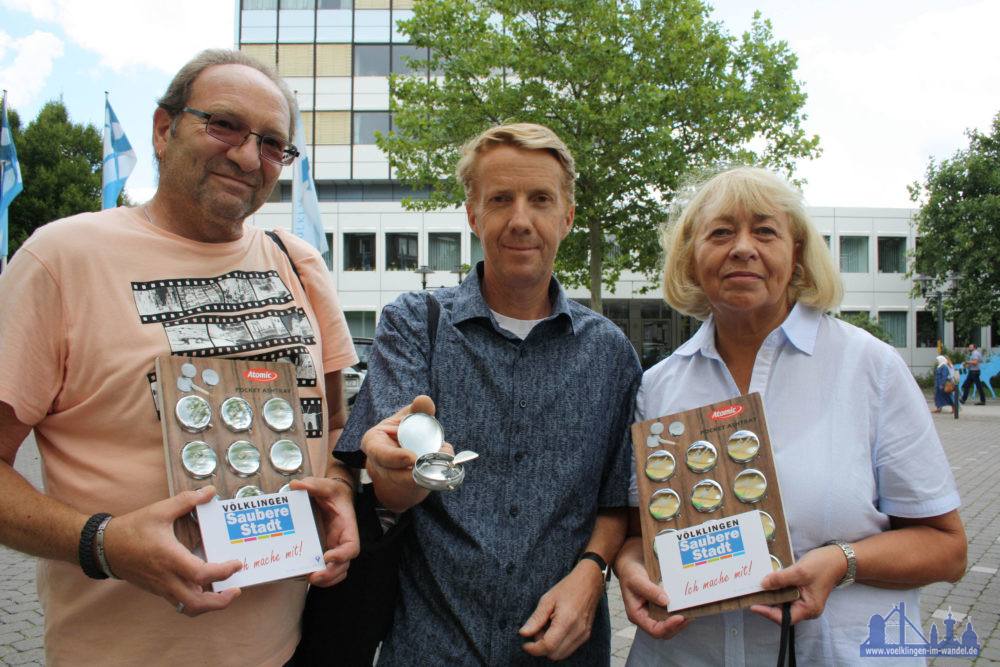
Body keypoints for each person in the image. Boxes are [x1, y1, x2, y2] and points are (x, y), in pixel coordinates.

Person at [0, 50, 360, 665]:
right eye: (223, 124)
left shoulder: (297, 261)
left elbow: (334, 432)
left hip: (288, 651)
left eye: (272, 143)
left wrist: (343, 493)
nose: (248, 156)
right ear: (164, 130)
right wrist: (104, 543)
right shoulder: (61, 258)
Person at [614, 167, 967, 665]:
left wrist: (840, 561)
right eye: (720, 233)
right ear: (691, 258)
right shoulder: (658, 385)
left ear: (797, 253)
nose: (742, 247)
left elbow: (947, 550)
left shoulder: (870, 368)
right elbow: (640, 534)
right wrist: (629, 568)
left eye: (765, 230)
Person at [335, 123, 642, 665]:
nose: (520, 220)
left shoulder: (611, 353)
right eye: (500, 199)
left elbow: (616, 498)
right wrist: (396, 470)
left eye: (541, 200)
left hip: (561, 649)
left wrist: (593, 573)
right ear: (473, 214)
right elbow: (391, 487)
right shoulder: (413, 324)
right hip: (429, 647)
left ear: (567, 216)